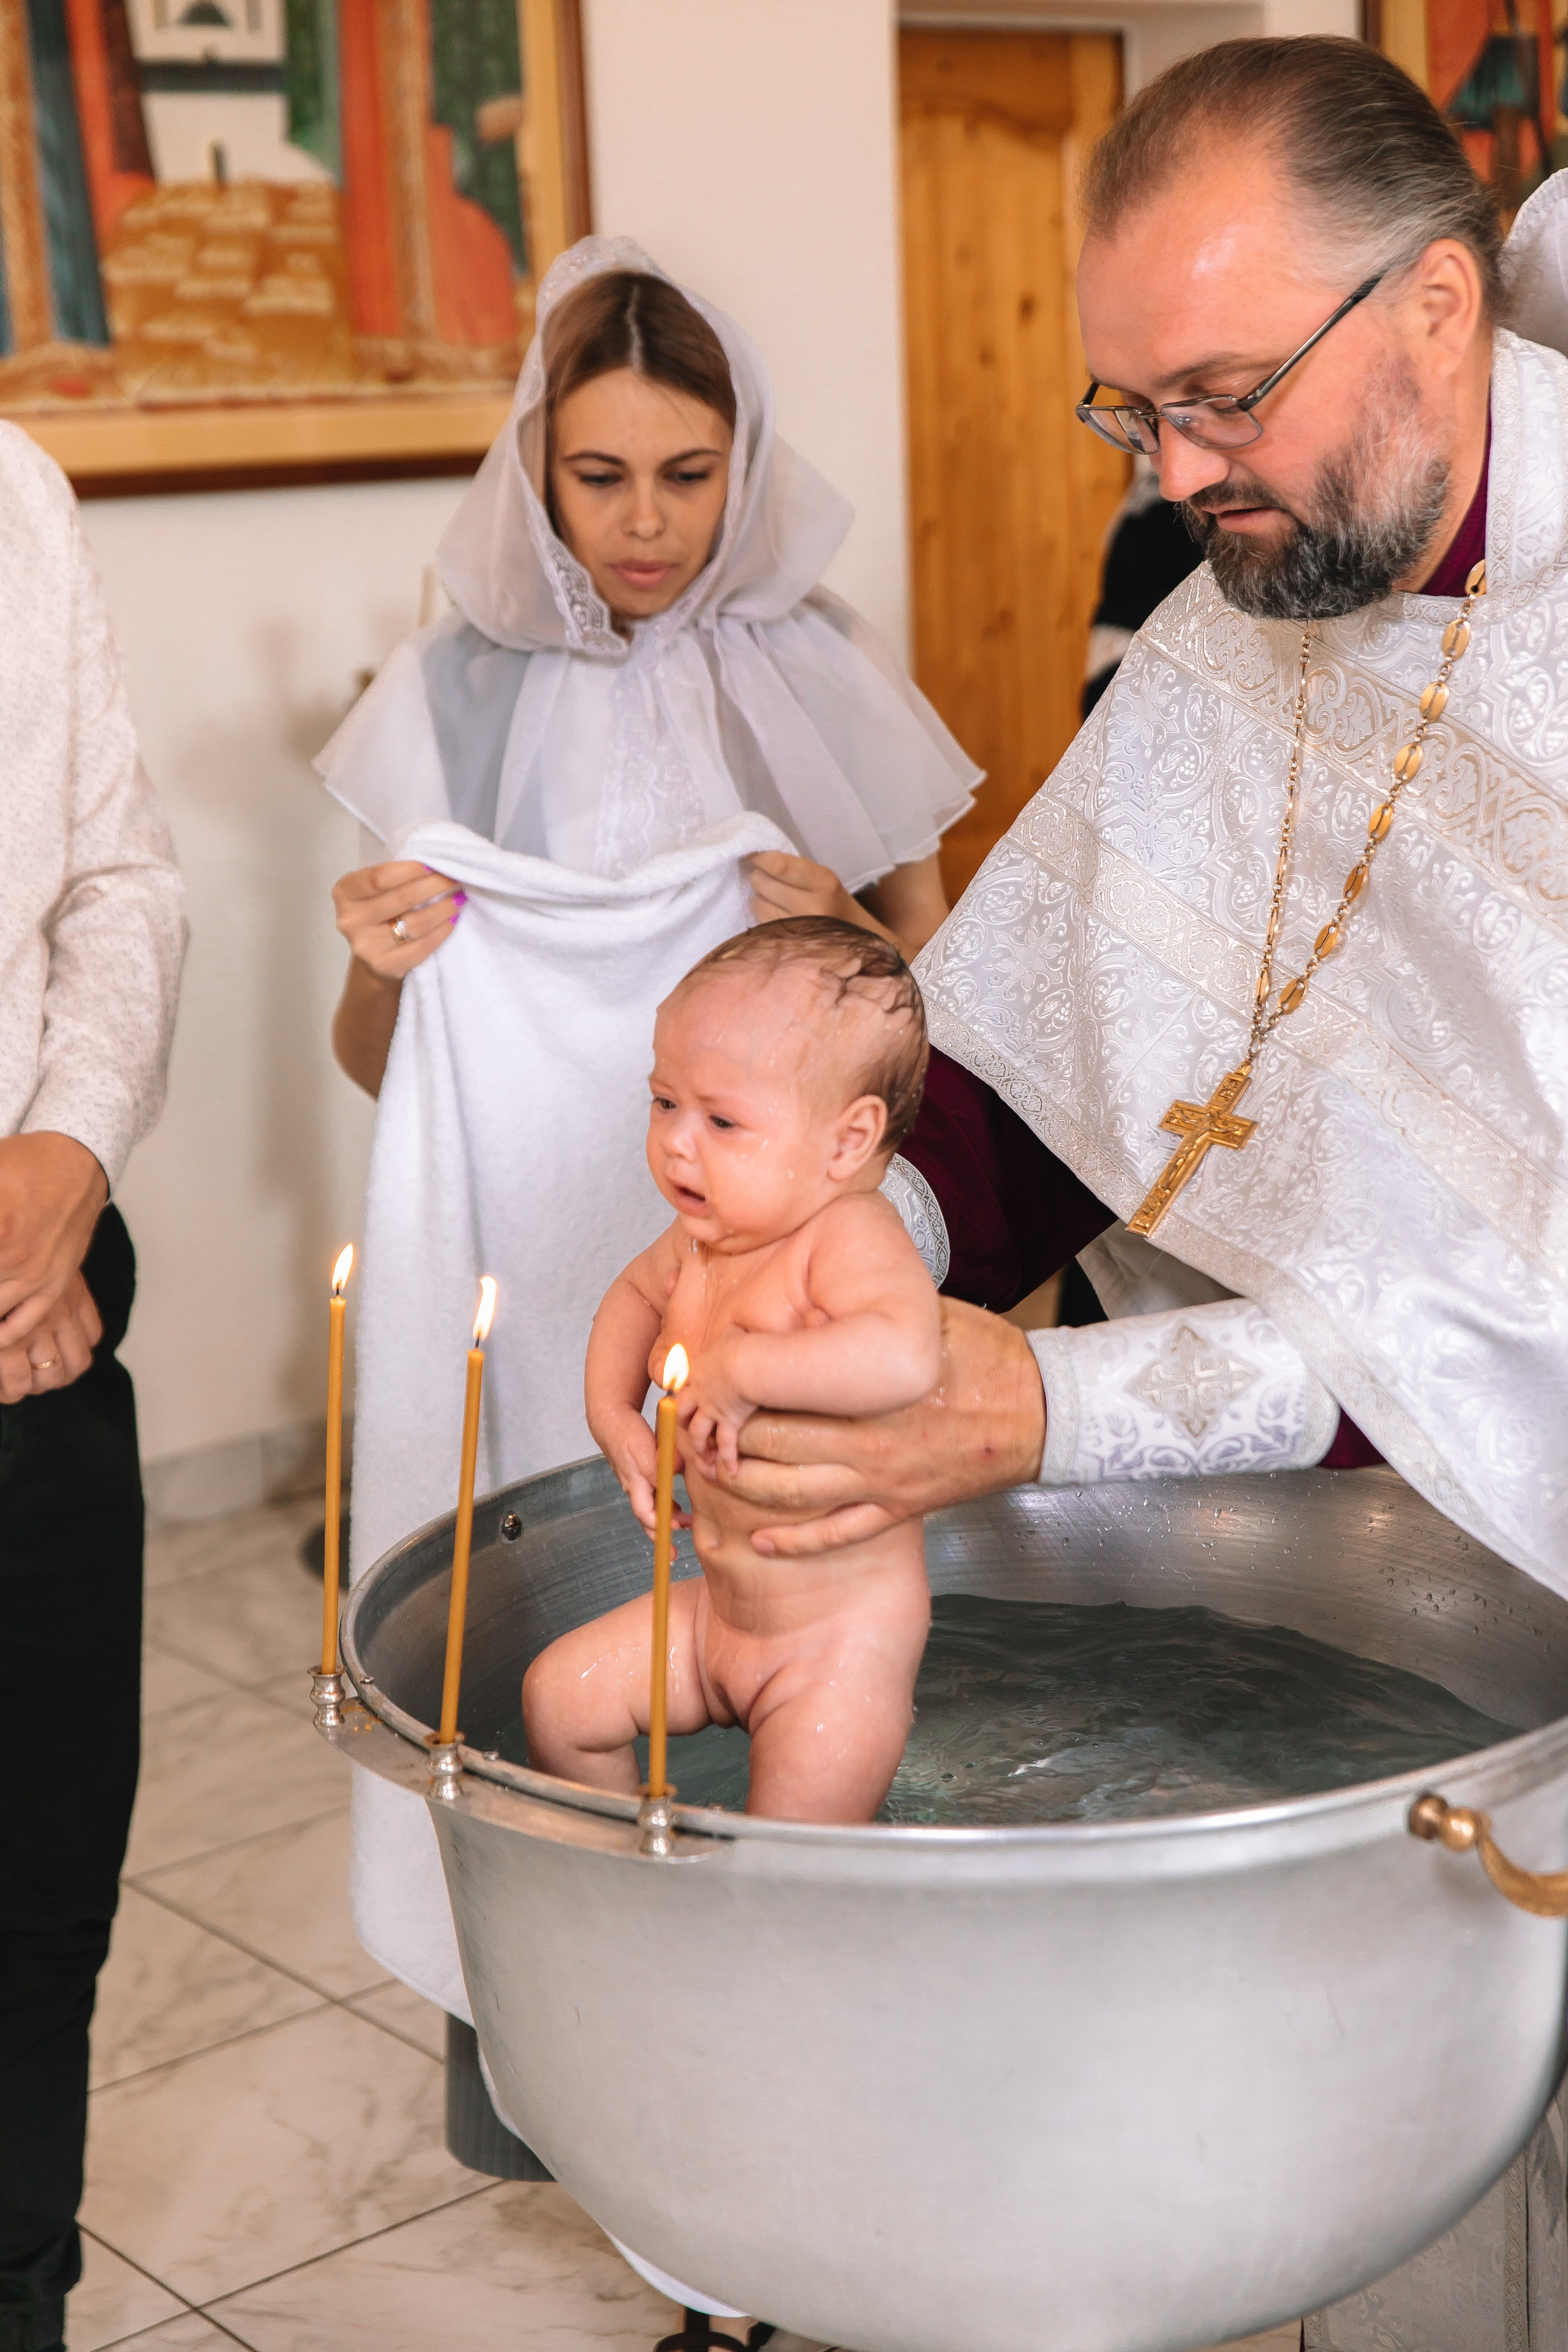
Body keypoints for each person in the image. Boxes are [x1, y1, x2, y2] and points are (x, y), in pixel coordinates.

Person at [709, 39, 1567, 2345]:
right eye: (1133, 413)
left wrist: (1044, 1416)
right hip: (1334, 1631)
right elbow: (1026, 1075)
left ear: (1438, 308)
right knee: (1326, 2226)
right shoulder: (1231, 629)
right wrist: (821, 1259)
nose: (1178, 477)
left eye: (1222, 394)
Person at [324, 235, 979, 1102]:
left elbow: (955, 1022)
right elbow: (383, 1078)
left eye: (687, 476)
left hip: (785, 1202)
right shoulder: (440, 690)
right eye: (599, 477)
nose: (644, 521)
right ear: (539, 474)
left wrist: (851, 933)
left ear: (741, 468)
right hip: (540, 1194)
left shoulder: (831, 664)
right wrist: (378, 976)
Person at [525, 918, 939, 1823]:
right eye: (663, 1102)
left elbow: (906, 1353)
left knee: (791, 1863)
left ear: (846, 1139)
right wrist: (614, 1417)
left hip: (834, 1646)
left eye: (721, 1119)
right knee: (559, 1701)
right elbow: (630, 1300)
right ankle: (637, 1884)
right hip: (719, 1613)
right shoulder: (704, 1238)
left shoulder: (846, 1238)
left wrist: (748, 1363)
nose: (677, 1142)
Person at [0, 429, 183, 2352]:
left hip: (40, 1302)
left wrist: (66, 1154)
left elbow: (117, 878)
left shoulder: (12, 494)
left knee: (40, 1902)